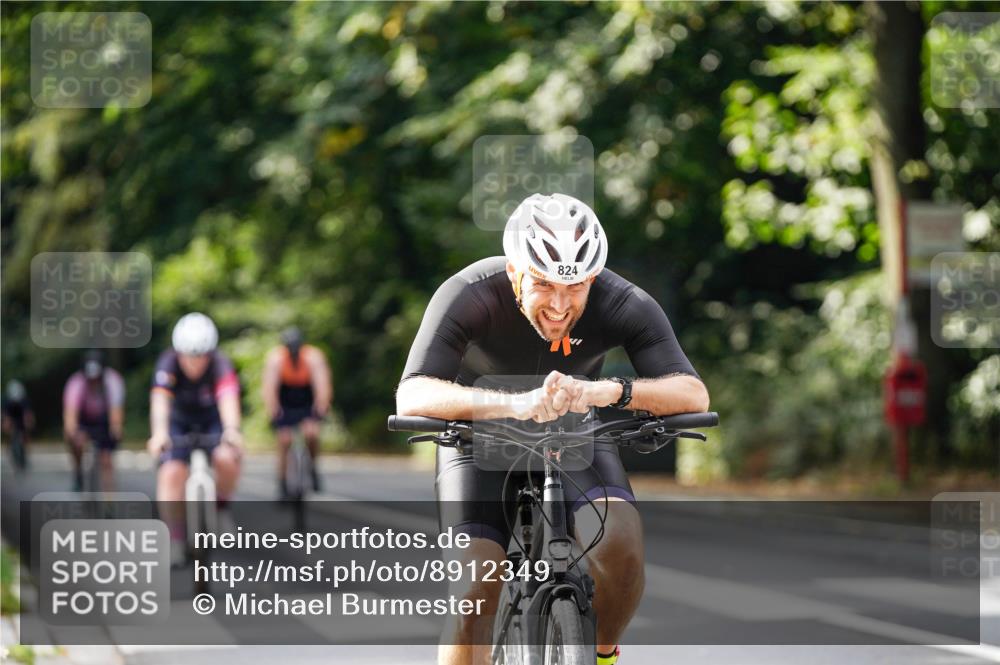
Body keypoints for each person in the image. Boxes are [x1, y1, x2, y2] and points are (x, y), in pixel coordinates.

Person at [395, 193, 710, 665]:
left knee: (622, 546)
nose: (560, 306)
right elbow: (413, 393)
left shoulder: (621, 299)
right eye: (544, 284)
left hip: (574, 426)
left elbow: (692, 393)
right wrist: (514, 404)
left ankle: (602, 655)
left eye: (577, 287)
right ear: (514, 273)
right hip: (479, 432)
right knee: (475, 588)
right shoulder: (470, 292)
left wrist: (609, 393)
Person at [146, 313, 243, 560]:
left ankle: (221, 508)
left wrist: (232, 430)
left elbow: (228, 398)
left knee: (227, 458)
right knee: (171, 473)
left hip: (212, 420)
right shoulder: (167, 362)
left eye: (201, 355)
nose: (195, 362)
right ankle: (174, 537)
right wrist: (159, 433)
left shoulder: (220, 363)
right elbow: (160, 401)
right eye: (189, 355)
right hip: (178, 422)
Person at [262, 327, 332, 498]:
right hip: (285, 401)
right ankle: (282, 482)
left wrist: (321, 408)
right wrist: (273, 410)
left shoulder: (313, 357)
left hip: (306, 400)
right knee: (284, 439)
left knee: (312, 434)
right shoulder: (276, 359)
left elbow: (322, 385)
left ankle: (313, 468)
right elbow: (269, 388)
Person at [63, 350, 125, 491]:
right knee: (74, 440)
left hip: (104, 421)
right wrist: (72, 432)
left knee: (106, 460)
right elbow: (71, 413)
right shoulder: (76, 383)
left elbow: (116, 411)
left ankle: (109, 502)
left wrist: (116, 429)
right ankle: (78, 470)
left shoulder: (113, 381)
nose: (93, 381)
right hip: (84, 419)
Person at [2, 380, 35, 469]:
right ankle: (9, 447)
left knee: (24, 433)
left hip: (21, 418)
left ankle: (25, 448)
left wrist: (28, 425)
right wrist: (6, 425)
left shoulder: (24, 401)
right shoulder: (7, 401)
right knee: (10, 433)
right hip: (12, 418)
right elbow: (6, 416)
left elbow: (27, 414)